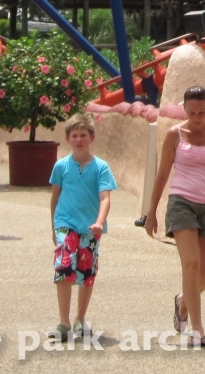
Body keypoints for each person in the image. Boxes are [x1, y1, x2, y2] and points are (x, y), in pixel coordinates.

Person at [145, 85, 205, 342]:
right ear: (184, 109)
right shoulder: (174, 135)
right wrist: (151, 212)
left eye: (202, 112)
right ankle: (197, 329)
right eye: (192, 112)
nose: (197, 118)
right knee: (191, 265)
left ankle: (183, 302)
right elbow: (161, 175)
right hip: (181, 202)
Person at [49, 116, 117, 341]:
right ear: (68, 139)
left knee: (86, 272)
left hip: (90, 227)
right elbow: (55, 197)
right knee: (63, 269)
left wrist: (99, 221)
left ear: (92, 138)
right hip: (65, 224)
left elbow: (105, 198)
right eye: (74, 136)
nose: (79, 140)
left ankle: (80, 318)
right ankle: (63, 322)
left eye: (83, 136)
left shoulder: (101, 167)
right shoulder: (61, 166)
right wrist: (54, 226)